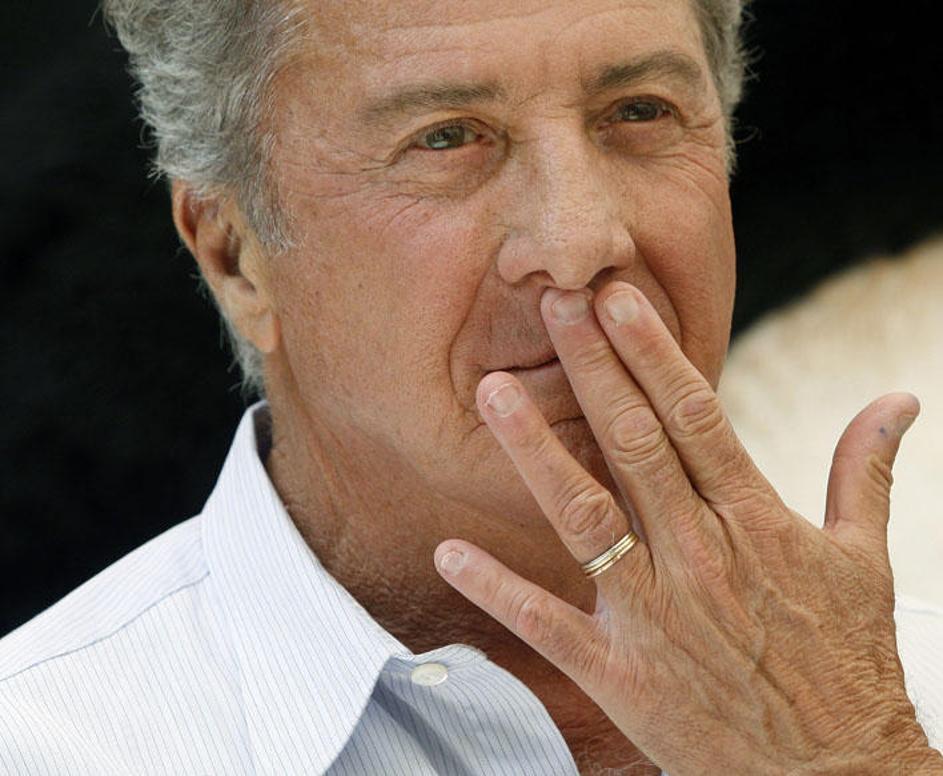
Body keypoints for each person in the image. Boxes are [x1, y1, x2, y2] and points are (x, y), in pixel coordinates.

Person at [1, 0, 941, 773]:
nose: (579, 243)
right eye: (446, 138)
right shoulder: (46, 744)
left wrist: (852, 755)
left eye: (639, 112)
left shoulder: (903, 701)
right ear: (233, 254)